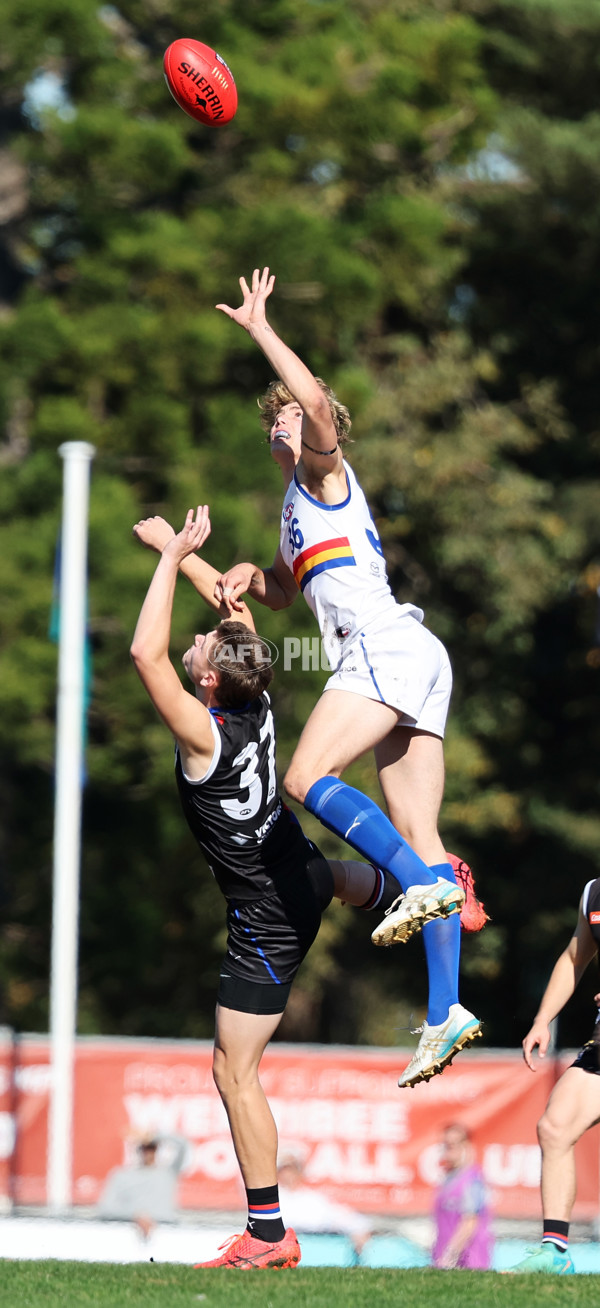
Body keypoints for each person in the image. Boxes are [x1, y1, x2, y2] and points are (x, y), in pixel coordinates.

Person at [215, 266, 482, 1087]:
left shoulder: (325, 474)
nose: (292, 422)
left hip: (384, 646)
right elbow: (293, 591)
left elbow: (322, 409)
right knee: (428, 844)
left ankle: (411, 885)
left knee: (303, 775)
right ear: (271, 438)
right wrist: (248, 576)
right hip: (411, 657)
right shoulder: (296, 512)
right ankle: (446, 1012)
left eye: (299, 412)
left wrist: (263, 331)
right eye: (281, 417)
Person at [130, 507, 409, 1270]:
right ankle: (403, 887)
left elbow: (145, 653)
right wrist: (178, 549)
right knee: (327, 879)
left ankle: (267, 1233)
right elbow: (232, 613)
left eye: (204, 647)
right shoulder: (251, 696)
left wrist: (167, 562)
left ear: (211, 678)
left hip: (265, 913)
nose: (195, 641)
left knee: (233, 1069)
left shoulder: (205, 730)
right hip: (296, 865)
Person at [504, 878, 600, 1276]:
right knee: (555, 1127)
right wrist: (543, 1019)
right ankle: (555, 1252)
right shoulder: (594, 894)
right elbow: (575, 957)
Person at [277, 1152, 373, 1261]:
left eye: (292, 1169)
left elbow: (352, 1220)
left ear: (300, 1172)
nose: (288, 1175)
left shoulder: (313, 1200)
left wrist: (359, 1232)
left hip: (313, 1252)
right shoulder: (271, 1199)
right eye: (284, 1170)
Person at [97, 1133, 187, 1239]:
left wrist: (155, 1134)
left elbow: (183, 1146)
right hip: (128, 1231)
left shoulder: (168, 1174)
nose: (148, 1153)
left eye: (151, 1148)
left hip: (165, 1231)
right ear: (138, 1150)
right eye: (144, 1148)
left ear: (157, 1150)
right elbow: (106, 1209)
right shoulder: (122, 1175)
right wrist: (137, 1216)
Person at [431, 1123, 493, 1270]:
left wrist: (450, 1256)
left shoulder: (472, 1179)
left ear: (466, 1145)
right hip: (444, 1258)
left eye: (453, 1145)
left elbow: (470, 1222)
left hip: (469, 1261)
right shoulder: (448, 1179)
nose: (448, 1151)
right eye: (446, 1145)